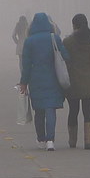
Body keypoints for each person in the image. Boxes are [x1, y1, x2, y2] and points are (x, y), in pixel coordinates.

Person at [19, 12, 68, 151]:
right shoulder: (55, 38)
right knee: (50, 109)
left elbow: (26, 64)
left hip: (36, 80)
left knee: (39, 111)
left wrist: (24, 82)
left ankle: (41, 138)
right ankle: (51, 140)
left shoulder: (30, 41)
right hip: (53, 78)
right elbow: (65, 56)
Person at [63, 13, 90, 150]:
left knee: (73, 111)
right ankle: (88, 141)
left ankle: (72, 141)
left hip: (73, 83)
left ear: (74, 25)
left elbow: (63, 62)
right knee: (88, 112)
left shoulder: (68, 42)